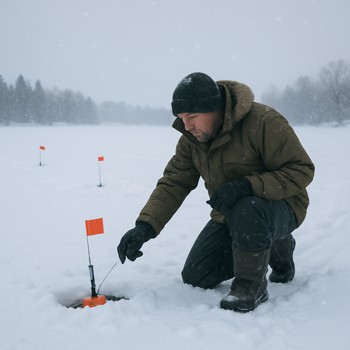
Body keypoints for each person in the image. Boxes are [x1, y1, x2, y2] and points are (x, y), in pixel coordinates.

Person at [117, 72, 315, 313]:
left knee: (248, 208)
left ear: (216, 108)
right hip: (230, 216)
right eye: (181, 117)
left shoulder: (263, 122)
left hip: (283, 206)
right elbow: (174, 183)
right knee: (196, 276)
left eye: (192, 116)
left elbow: (301, 170)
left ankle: (251, 286)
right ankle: (265, 241)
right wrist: (145, 227)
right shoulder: (191, 140)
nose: (187, 126)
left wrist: (248, 185)